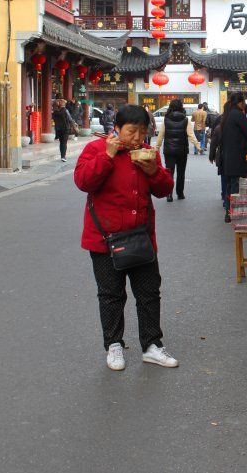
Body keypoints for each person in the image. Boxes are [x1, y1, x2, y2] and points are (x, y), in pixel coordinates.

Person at [74, 104, 178, 372]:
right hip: (104, 239)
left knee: (148, 293)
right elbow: (83, 181)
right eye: (131, 132)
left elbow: (165, 188)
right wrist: (107, 157)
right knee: (110, 295)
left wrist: (153, 170)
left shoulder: (149, 153)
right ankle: (113, 345)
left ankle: (152, 345)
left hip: (141, 238)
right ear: (117, 129)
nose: (136, 139)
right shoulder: (96, 150)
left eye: (142, 133)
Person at [220, 92, 247, 223]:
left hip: (228, 155)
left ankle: (229, 213)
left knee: (230, 185)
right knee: (235, 186)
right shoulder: (238, 114)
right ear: (241, 102)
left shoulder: (227, 114)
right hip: (237, 156)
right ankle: (232, 213)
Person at [155, 98, 201, 201]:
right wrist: (198, 146)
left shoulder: (166, 119)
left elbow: (160, 136)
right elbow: (191, 135)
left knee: (169, 172)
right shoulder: (185, 119)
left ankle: (169, 194)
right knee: (181, 173)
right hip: (182, 150)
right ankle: (180, 194)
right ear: (181, 107)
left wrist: (156, 148)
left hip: (169, 151)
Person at [209, 102, 229, 207]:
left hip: (221, 154)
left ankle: (224, 195)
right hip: (231, 155)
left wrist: (211, 156)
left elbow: (213, 140)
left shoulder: (219, 123)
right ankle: (227, 197)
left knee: (224, 175)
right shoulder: (236, 121)